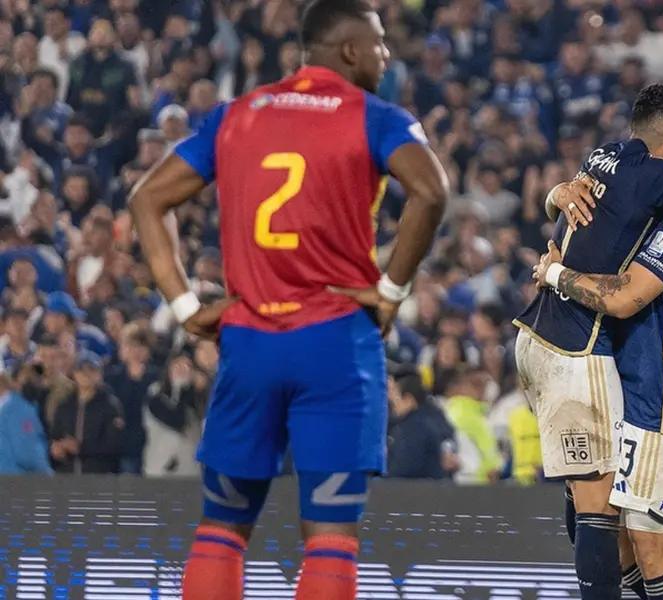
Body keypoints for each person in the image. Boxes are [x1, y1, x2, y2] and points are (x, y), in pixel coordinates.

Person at [127, 1, 450, 599]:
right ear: (349, 50)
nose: (386, 55)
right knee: (329, 540)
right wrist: (390, 291)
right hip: (335, 341)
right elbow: (431, 191)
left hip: (248, 339)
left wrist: (182, 305)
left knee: (221, 530)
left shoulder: (237, 115)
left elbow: (147, 199)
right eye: (378, 43)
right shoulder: (375, 117)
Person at [514, 84, 663, 600]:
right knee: (616, 533)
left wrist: (554, 272)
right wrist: (560, 190)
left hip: (658, 404)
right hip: (623, 386)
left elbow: (626, 302)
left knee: (658, 552)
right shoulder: (655, 201)